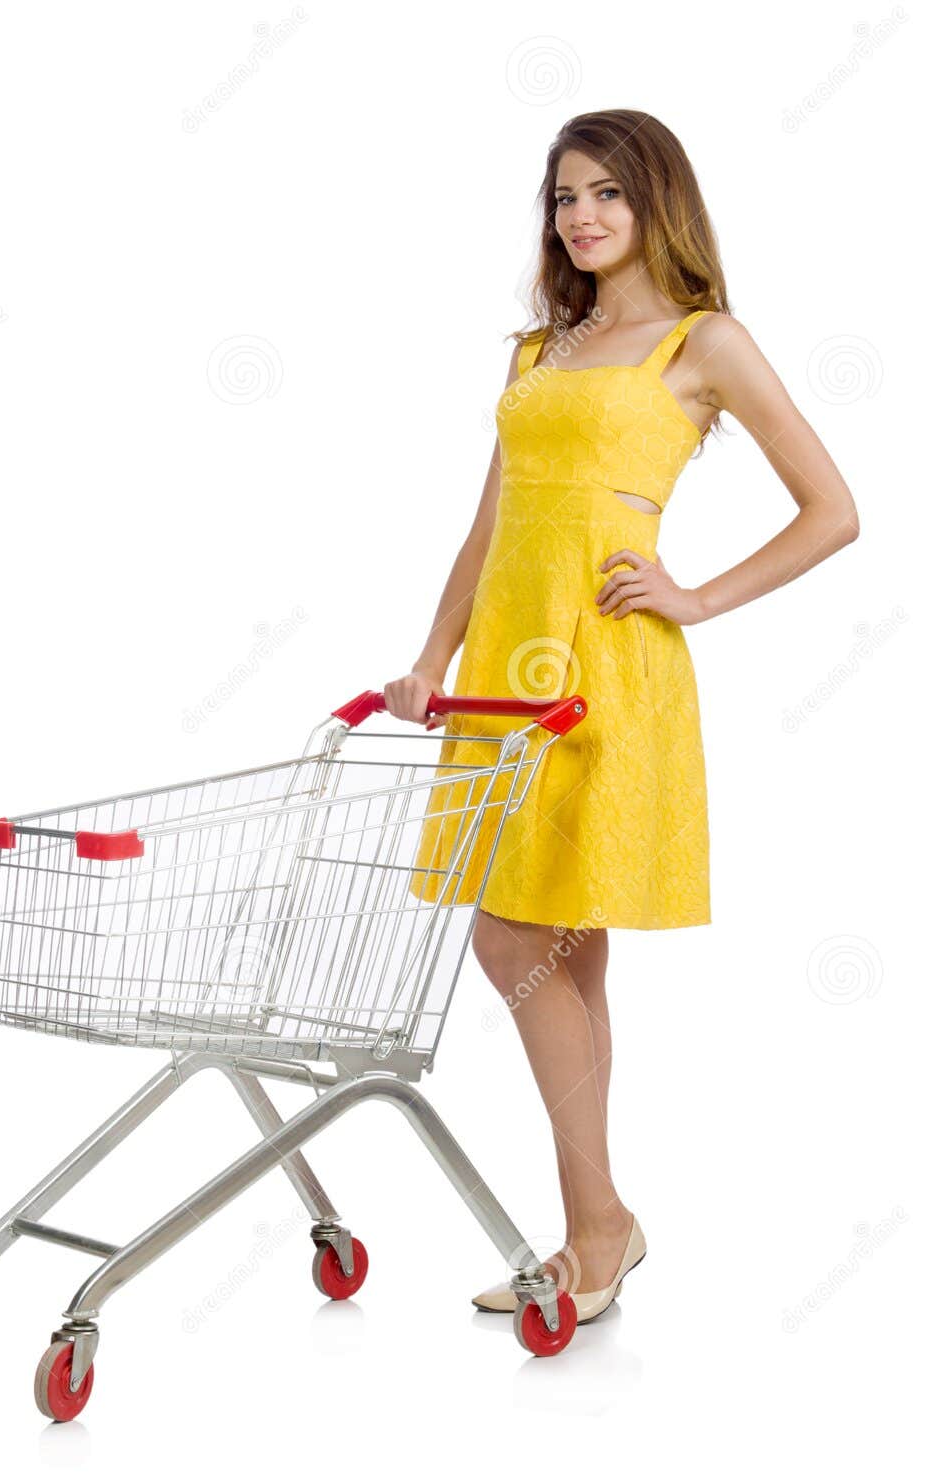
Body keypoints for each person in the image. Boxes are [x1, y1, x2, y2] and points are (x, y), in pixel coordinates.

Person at [384, 109, 859, 1324]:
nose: (581, 217)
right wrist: (432, 655)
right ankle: (597, 1223)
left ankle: (596, 1226)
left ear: (658, 204)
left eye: (605, 193)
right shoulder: (537, 351)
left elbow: (831, 510)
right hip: (502, 671)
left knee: (512, 941)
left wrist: (693, 596)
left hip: (603, 672)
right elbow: (490, 526)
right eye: (562, 197)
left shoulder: (705, 344)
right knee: (554, 947)